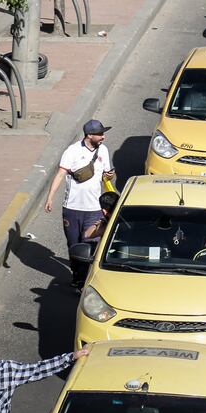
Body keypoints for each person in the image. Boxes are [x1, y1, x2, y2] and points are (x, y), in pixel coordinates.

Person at [45, 119, 115, 291]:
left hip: (94, 209)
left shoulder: (103, 151)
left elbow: (107, 175)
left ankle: (85, 281)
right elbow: (61, 174)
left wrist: (110, 175)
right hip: (72, 209)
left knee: (90, 245)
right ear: (89, 135)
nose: (103, 137)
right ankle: (77, 276)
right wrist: (50, 197)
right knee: (74, 245)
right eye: (100, 134)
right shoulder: (72, 151)